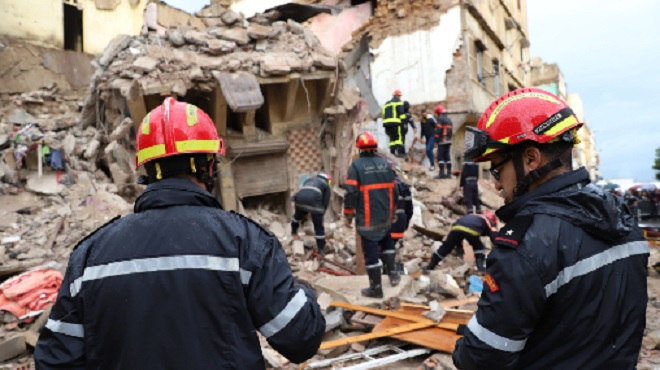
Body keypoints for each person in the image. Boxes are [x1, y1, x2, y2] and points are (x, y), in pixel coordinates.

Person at [34, 98, 325, 369]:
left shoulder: (90, 257)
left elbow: (55, 361)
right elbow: (301, 339)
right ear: (210, 166)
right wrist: (303, 292)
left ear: (145, 170)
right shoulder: (245, 244)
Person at [454, 88, 648, 369]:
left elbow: (482, 359)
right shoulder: (623, 219)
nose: (496, 185)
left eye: (497, 170)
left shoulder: (525, 246)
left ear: (532, 159)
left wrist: (463, 349)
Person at [344, 132, 399, 298]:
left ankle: (376, 288)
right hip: (385, 216)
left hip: (368, 219)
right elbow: (395, 190)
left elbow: (351, 192)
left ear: (359, 148)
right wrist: (393, 211)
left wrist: (348, 214)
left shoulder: (356, 166)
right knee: (387, 243)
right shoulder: (385, 164)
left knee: (371, 253)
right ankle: (393, 274)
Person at [424, 212, 497, 273]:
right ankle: (481, 268)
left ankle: (431, 265)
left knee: (446, 247)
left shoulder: (472, 215)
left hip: (456, 227)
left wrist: (459, 246)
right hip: (472, 230)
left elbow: (462, 229)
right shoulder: (489, 222)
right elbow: (495, 237)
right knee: (478, 246)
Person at [291, 172, 333, 256]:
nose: (330, 184)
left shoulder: (308, 180)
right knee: (318, 226)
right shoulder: (325, 185)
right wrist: (321, 214)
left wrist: (305, 212)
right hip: (314, 202)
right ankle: (321, 249)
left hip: (299, 199)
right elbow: (325, 202)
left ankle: (294, 232)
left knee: (297, 216)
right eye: (330, 182)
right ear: (327, 180)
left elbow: (304, 192)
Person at [383, 163, 413, 273]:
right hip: (401, 220)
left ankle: (387, 269)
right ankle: (398, 268)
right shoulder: (404, 186)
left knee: (385, 245)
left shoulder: (383, 186)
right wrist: (406, 223)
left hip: (387, 221)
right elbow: (410, 209)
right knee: (397, 245)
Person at [381, 89, 406, 158]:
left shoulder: (386, 104)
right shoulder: (399, 102)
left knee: (392, 139)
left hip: (387, 124)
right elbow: (401, 113)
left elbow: (383, 114)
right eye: (399, 96)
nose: (400, 97)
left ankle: (392, 153)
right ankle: (400, 154)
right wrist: (404, 122)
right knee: (398, 138)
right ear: (397, 96)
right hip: (395, 123)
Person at [433, 104, 453, 179]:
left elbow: (438, 130)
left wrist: (436, 140)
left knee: (440, 157)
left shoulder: (440, 119)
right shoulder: (449, 119)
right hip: (448, 140)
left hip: (442, 140)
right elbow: (450, 131)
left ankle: (441, 173)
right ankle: (449, 173)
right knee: (447, 156)